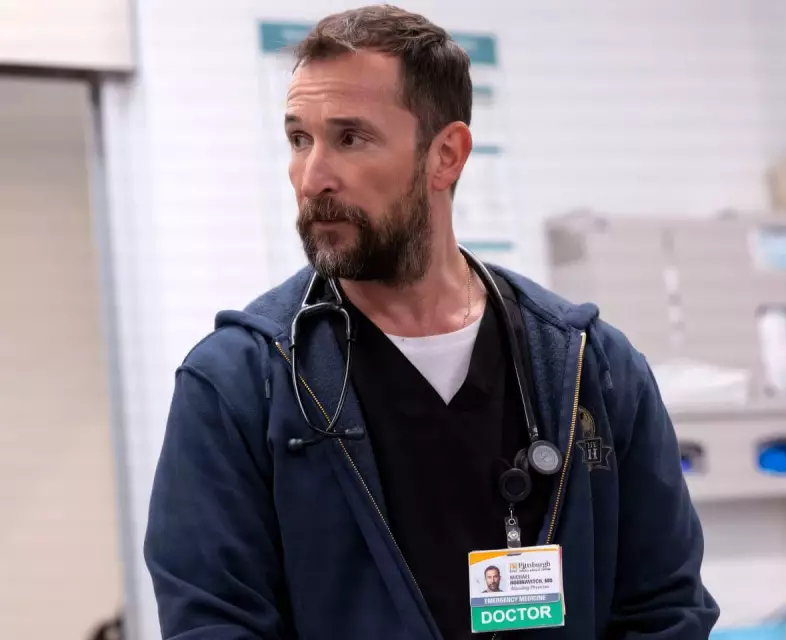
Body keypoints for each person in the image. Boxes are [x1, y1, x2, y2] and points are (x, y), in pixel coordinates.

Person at [144, 5, 719, 639]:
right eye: (299, 139)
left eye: (350, 138)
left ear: (445, 155)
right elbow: (214, 624)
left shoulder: (590, 370)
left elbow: (666, 610)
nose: (312, 177)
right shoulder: (238, 384)